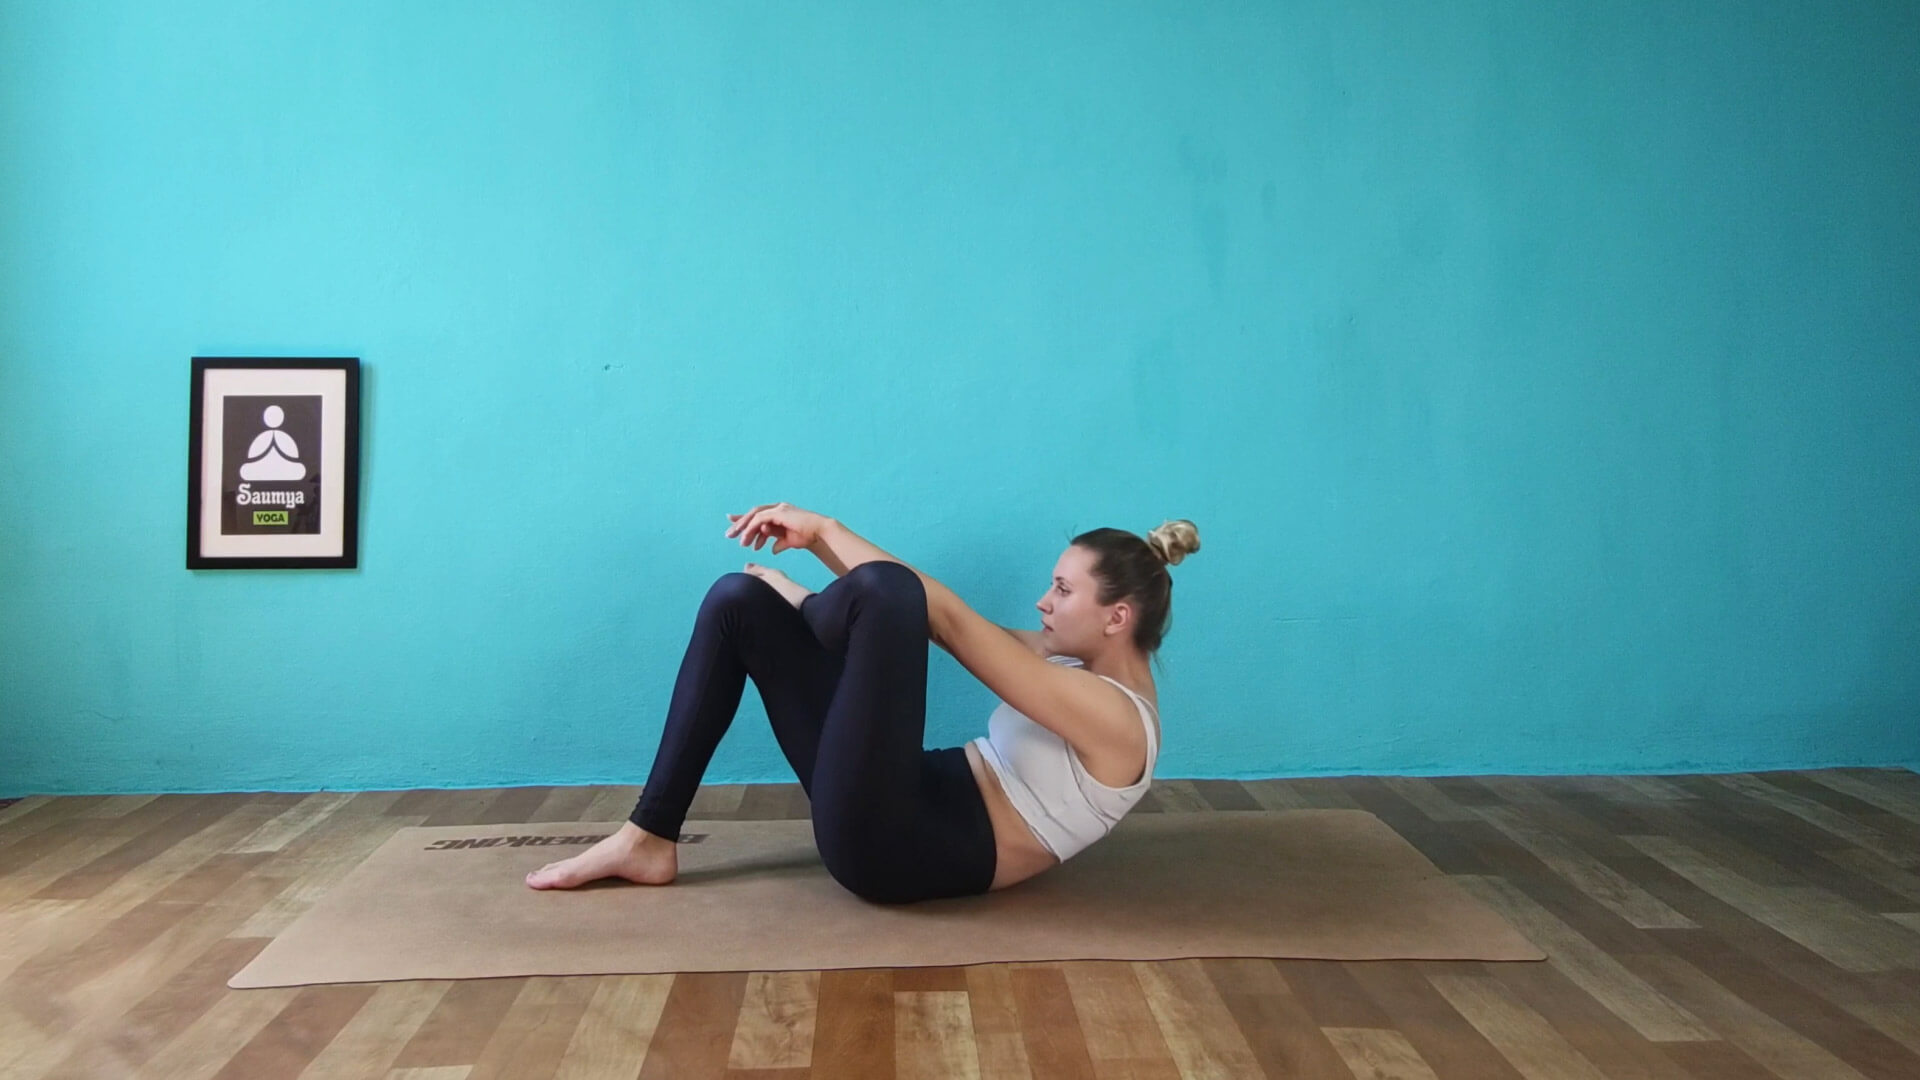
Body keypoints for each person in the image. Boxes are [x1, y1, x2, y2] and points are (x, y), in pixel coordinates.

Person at [525, 502, 1200, 904]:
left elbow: (940, 617)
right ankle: (648, 837)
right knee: (738, 601)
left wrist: (817, 554)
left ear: (1117, 618)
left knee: (887, 594)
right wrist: (818, 539)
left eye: (1062, 591)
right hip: (907, 791)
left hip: (904, 848)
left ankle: (813, 610)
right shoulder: (1073, 668)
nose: (1043, 602)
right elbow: (930, 614)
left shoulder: (1116, 721)